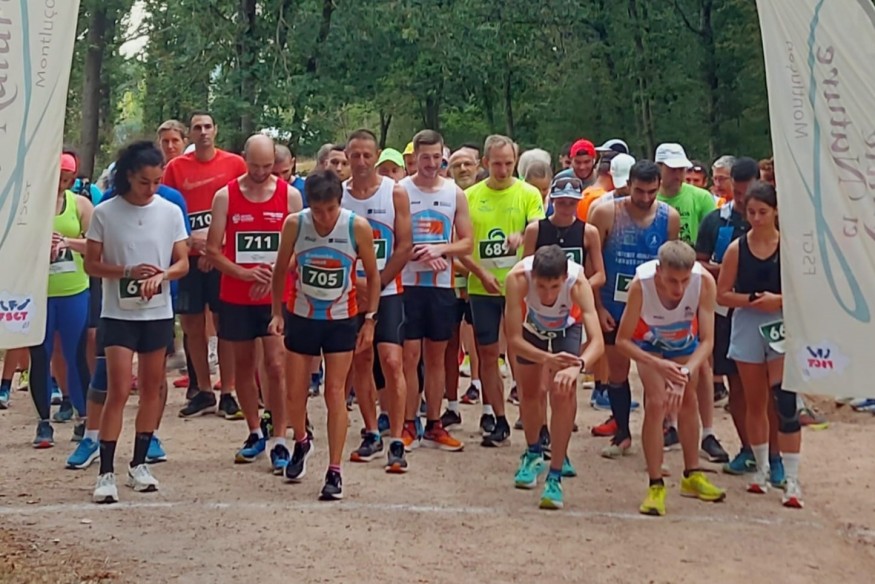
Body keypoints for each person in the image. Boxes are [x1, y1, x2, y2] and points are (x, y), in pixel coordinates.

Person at [66, 160, 191, 471]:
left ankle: (139, 463)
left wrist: (162, 276)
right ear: (129, 178)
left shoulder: (169, 211)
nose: (151, 189)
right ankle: (105, 469)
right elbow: (91, 265)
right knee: (118, 389)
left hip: (157, 313)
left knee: (151, 388)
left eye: (156, 182)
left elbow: (183, 262)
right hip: (118, 314)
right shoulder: (106, 212)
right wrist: (126, 272)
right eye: (144, 182)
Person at [269, 169, 380, 500]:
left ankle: (334, 470)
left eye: (330, 209)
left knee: (334, 392)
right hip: (302, 315)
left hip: (341, 319)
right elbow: (279, 270)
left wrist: (370, 319)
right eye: (318, 210)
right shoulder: (295, 224)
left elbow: (373, 276)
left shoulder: (355, 227)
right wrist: (276, 312)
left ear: (339, 203)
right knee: (295, 393)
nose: (324, 216)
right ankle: (302, 440)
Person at [206, 134, 303, 470]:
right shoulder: (226, 196)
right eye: (255, 165)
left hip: (276, 295)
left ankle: (279, 437)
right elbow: (213, 250)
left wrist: (275, 276)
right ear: (244, 159)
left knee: (276, 364)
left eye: (268, 166)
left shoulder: (290, 196)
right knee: (243, 365)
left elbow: (299, 250)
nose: (262, 172)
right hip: (237, 293)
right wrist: (244, 275)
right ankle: (253, 430)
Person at [615, 241, 724, 516]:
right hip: (650, 345)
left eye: (684, 281)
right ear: (658, 270)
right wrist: (658, 365)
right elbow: (623, 341)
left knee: (688, 401)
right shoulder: (641, 285)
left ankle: (692, 474)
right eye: (672, 281)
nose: (678, 289)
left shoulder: (704, 282)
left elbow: (708, 340)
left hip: (685, 344)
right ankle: (655, 484)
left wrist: (685, 372)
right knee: (656, 402)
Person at [716, 182, 802, 508]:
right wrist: (753, 301)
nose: (756, 218)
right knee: (754, 400)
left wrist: (778, 300)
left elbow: (806, 291)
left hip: (781, 322)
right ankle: (761, 466)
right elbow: (722, 294)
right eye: (751, 212)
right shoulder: (738, 248)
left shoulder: (790, 247)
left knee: (784, 399)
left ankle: (791, 476)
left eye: (762, 212)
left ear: (775, 212)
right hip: (749, 322)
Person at [588, 161, 679, 458]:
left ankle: (665, 427)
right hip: (614, 303)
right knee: (617, 370)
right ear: (628, 184)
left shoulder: (669, 217)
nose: (645, 197)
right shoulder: (606, 212)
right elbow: (592, 261)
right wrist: (597, 306)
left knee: (658, 372)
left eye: (652, 191)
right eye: (639, 191)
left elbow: (674, 263)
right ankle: (622, 433)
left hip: (653, 308)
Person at [461, 134, 545, 446]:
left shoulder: (528, 193)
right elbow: (462, 244)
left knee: (521, 353)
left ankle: (534, 417)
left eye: (509, 163)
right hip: (482, 285)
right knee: (486, 354)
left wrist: (522, 237)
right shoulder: (469, 196)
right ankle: (498, 419)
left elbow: (540, 231)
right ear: (485, 163)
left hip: (519, 286)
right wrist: (480, 273)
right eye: (497, 163)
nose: (503, 169)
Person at [162, 111, 247, 420]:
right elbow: (168, 208)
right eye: (197, 128)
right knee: (193, 326)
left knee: (226, 326)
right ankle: (203, 390)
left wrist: (218, 249)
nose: (203, 132)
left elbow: (243, 205)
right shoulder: (175, 168)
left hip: (222, 258)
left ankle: (229, 391)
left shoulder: (234, 164)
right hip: (189, 258)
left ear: (216, 130)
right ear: (191, 135)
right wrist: (189, 245)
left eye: (207, 126)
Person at [505, 246, 604, 509]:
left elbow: (598, 342)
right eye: (541, 286)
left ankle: (556, 472)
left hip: (567, 326)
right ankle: (533, 451)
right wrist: (545, 359)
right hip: (532, 327)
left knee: (563, 392)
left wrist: (578, 366)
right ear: (532, 277)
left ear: (564, 278)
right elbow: (514, 340)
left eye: (554, 287)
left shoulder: (578, 283)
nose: (547, 294)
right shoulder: (516, 279)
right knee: (529, 391)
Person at [695, 157, 776, 474]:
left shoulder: (775, 220)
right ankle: (748, 448)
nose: (742, 201)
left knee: (771, 389)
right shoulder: (716, 221)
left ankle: (775, 456)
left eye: (747, 193)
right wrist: (725, 268)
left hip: (770, 316)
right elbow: (699, 263)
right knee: (737, 386)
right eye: (737, 194)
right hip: (725, 312)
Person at [341, 129, 413, 470]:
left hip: (388, 290)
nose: (361, 162)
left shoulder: (394, 193)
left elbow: (404, 245)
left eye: (367, 155)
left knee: (392, 360)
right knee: (360, 359)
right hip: (350, 292)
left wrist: (378, 283)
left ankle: (396, 437)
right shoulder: (339, 196)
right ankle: (371, 431)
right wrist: (356, 286)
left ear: (377, 154)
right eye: (354, 155)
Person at [399, 129, 473, 453]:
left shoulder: (455, 192)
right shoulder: (400, 190)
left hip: (441, 286)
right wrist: (417, 252)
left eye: (435, 157)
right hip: (407, 284)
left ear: (443, 155)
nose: (430, 163)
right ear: (414, 157)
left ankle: (434, 424)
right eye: (423, 157)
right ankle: (407, 422)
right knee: (409, 357)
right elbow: (394, 239)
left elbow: (467, 241)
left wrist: (441, 250)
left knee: (437, 358)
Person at [655, 143, 719, 452]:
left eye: (682, 168)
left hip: (692, 280)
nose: (679, 174)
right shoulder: (652, 198)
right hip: (662, 283)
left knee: (701, 363)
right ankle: (669, 423)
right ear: (660, 169)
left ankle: (706, 432)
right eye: (672, 168)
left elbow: (710, 235)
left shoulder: (702, 198)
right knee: (662, 360)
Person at [29, 154, 94, 448]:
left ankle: (84, 417)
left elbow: (96, 246)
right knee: (40, 355)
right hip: (38, 292)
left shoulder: (80, 205)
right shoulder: (28, 205)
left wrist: (67, 242)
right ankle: (44, 422)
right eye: (58, 177)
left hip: (73, 290)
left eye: (67, 179)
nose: (61, 184)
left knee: (76, 354)